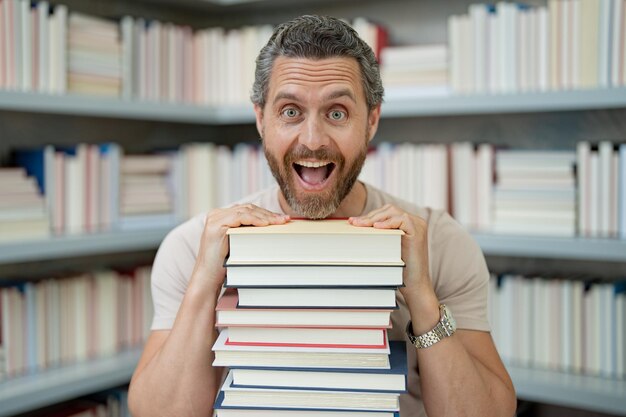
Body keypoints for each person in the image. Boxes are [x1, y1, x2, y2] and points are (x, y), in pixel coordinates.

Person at [128, 15, 516, 417]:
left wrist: (421, 295)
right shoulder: (192, 246)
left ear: (372, 120)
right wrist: (204, 283)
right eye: (291, 112)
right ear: (261, 118)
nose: (312, 141)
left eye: (336, 113)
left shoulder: (440, 242)